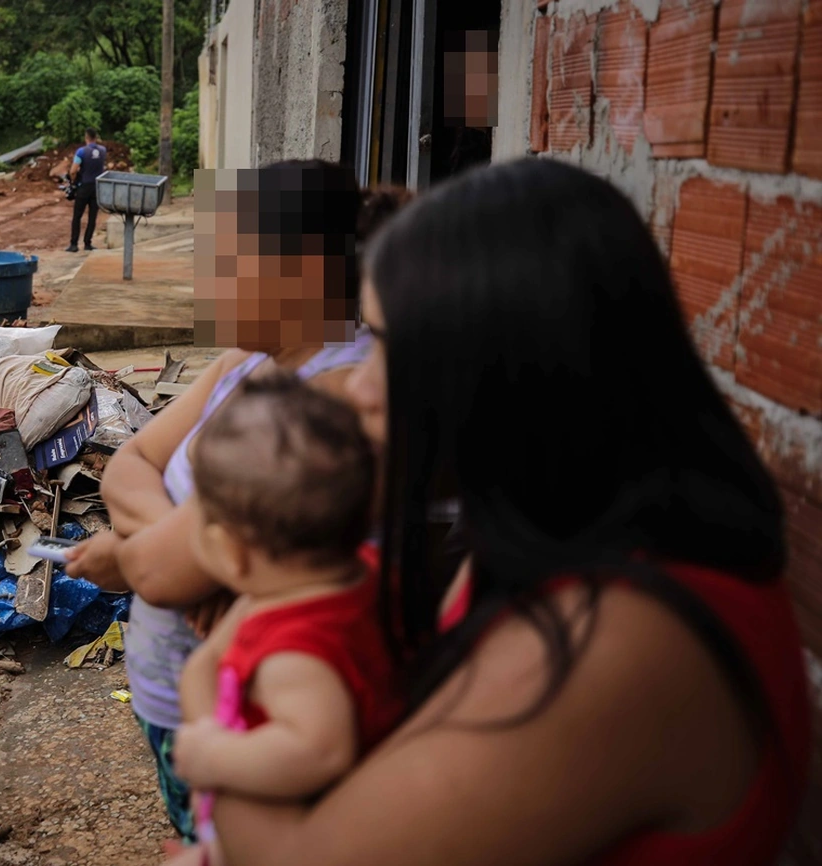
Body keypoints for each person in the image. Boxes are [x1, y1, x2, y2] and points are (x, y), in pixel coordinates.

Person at [197, 158, 811, 864]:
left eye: (388, 348)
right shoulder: (552, 535)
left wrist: (215, 724)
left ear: (505, 369)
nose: (359, 389)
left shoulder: (615, 641)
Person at [63, 161, 408, 850]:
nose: (210, 288)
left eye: (231, 266)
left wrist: (138, 559)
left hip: (262, 720)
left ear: (304, 272)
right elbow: (127, 468)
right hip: (181, 692)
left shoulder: (340, 394)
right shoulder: (243, 365)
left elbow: (159, 572)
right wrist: (187, 554)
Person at [165, 375, 397, 866]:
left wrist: (213, 758)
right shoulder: (359, 575)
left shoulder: (296, 653)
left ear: (230, 550)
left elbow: (317, 751)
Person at [66, 128, 107, 253]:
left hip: (84, 186)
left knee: (77, 216)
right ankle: (88, 243)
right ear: (96, 137)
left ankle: (74, 244)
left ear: (86, 137)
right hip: (97, 187)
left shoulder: (81, 152)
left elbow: (73, 170)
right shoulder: (103, 150)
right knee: (92, 216)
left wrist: (73, 181)